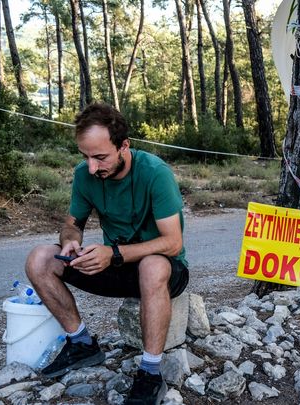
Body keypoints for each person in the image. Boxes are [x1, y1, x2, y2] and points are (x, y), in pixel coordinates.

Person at [25, 103, 188, 405]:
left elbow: (173, 243)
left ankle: (151, 373)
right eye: (85, 156)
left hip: (163, 270)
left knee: (153, 265)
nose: (91, 167)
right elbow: (71, 226)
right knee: (40, 258)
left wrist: (113, 254)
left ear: (124, 146)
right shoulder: (85, 175)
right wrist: (71, 242)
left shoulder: (155, 173)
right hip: (114, 265)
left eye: (100, 157)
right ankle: (82, 343)